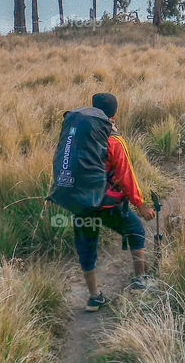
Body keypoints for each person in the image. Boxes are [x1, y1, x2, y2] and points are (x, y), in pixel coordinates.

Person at [73, 93, 156, 311]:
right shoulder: (113, 141)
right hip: (107, 205)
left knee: (86, 247)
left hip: (81, 204)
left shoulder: (78, 135)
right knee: (136, 230)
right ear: (115, 114)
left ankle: (93, 297)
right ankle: (140, 280)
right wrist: (140, 205)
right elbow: (126, 176)